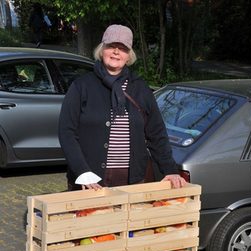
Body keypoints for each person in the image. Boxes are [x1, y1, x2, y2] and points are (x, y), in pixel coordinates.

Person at [58, 24, 186, 190]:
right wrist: (82, 171)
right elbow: (66, 131)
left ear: (129, 55)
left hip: (132, 179)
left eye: (122, 48)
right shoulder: (81, 86)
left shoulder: (140, 88)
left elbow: (156, 132)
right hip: (91, 180)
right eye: (111, 46)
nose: (116, 52)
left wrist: (170, 169)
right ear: (102, 49)